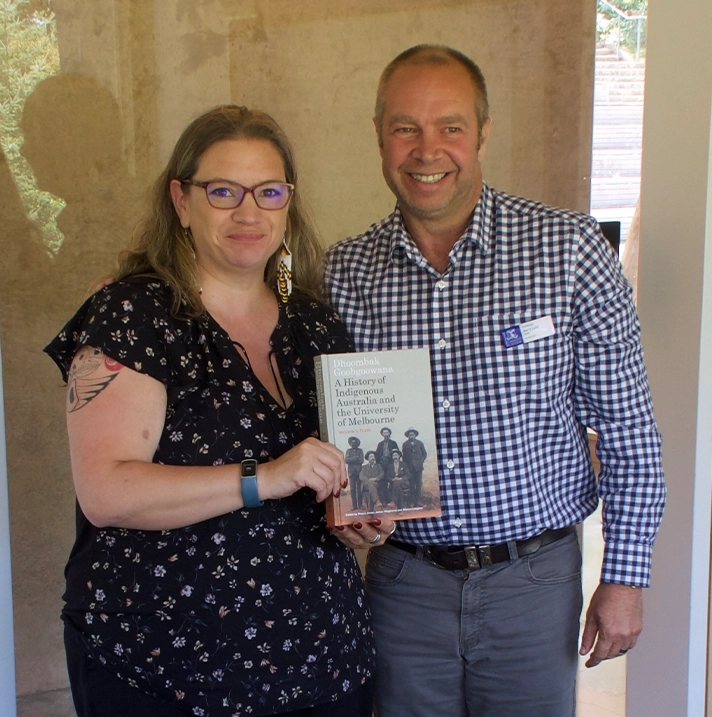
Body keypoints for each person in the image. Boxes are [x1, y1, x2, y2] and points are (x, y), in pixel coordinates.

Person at [324, 45, 666, 717]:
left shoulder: (567, 252)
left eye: (449, 126)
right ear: (378, 134)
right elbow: (327, 430)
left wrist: (624, 577)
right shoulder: (345, 272)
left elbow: (627, 428)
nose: (427, 150)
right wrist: (350, 514)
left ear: (482, 130)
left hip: (533, 581)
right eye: (405, 127)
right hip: (403, 583)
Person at [45, 105, 388, 717]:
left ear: (289, 202)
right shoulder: (135, 312)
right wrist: (267, 476)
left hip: (318, 657)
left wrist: (359, 519)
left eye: (269, 191)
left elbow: (339, 481)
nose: (249, 212)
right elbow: (106, 489)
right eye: (223, 190)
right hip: (166, 665)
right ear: (181, 201)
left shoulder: (316, 323)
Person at [401, 428, 427, 507]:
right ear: (408, 436)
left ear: (415, 435)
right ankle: (411, 502)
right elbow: (404, 456)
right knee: (411, 485)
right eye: (410, 435)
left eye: (412, 435)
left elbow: (424, 453)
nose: (411, 436)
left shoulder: (420, 443)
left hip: (418, 468)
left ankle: (418, 501)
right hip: (410, 468)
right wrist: (406, 466)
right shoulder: (405, 444)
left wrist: (421, 460)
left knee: (418, 484)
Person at [345, 436, 365, 509]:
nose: (353, 444)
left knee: (359, 489)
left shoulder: (360, 450)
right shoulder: (348, 451)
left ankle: (360, 505)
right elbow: (346, 460)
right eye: (352, 443)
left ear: (357, 443)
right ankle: (354, 506)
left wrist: (352, 460)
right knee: (352, 489)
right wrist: (356, 457)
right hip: (351, 472)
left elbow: (361, 460)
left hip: (359, 472)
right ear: (350, 444)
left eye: (355, 443)